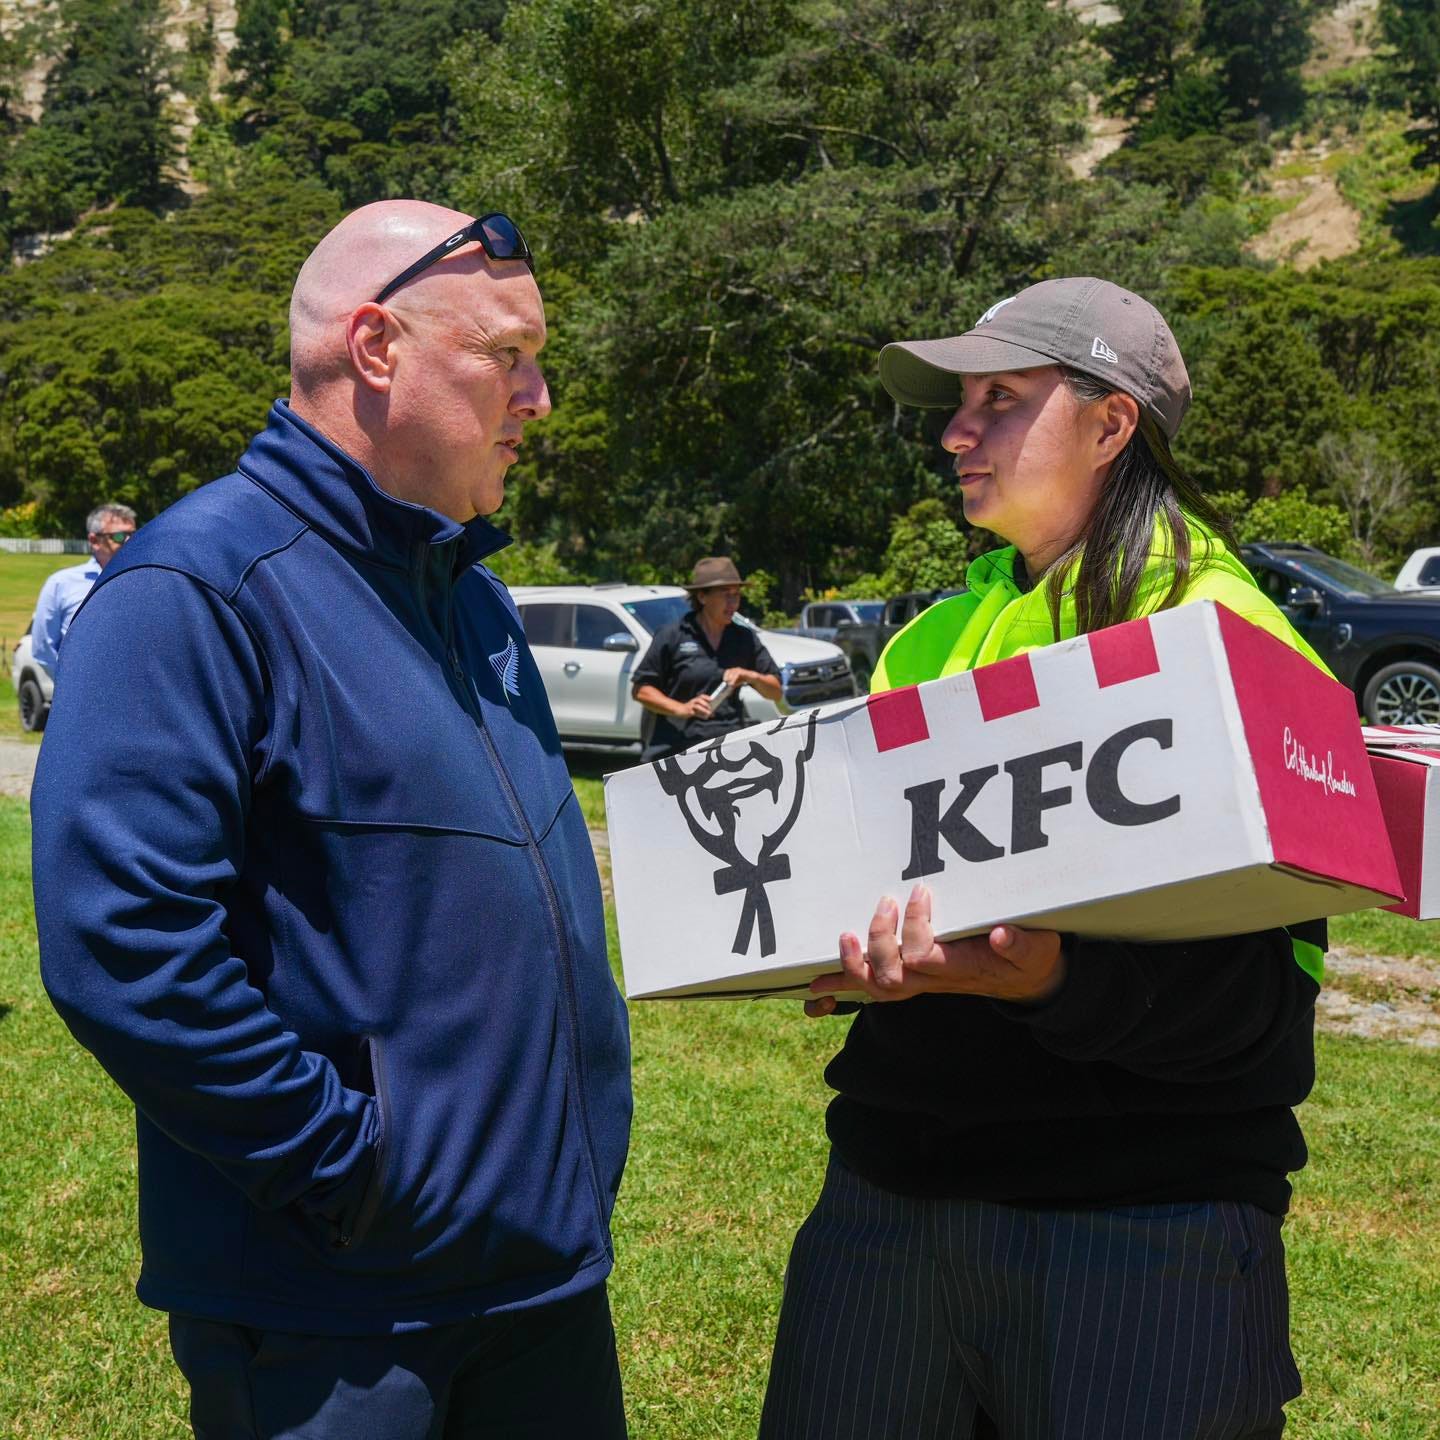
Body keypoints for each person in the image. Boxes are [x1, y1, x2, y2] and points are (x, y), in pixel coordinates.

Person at [32, 202, 632, 1439]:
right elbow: (124, 950)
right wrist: (352, 1170)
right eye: (507, 356)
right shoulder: (194, 588)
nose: (542, 398)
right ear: (376, 348)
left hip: (542, 1285)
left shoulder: (474, 602)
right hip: (340, 1320)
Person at [760, 277, 1329, 1440]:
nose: (956, 433)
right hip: (886, 1204)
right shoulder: (923, 642)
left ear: (1113, 423)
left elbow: (1267, 1002)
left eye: (1001, 400)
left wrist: (1056, 981)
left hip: (1138, 1234)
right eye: (960, 402)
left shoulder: (1221, 637)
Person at [630, 556, 784, 760]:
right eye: (726, 595)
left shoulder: (744, 637)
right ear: (702, 597)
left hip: (730, 745)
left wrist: (748, 675)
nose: (733, 603)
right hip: (678, 747)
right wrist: (682, 708)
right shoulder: (672, 635)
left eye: (736, 595)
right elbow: (641, 690)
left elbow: (775, 691)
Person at [28, 502, 138, 671]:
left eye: (134, 534)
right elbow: (43, 649)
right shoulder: (61, 583)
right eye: (119, 536)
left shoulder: (144, 581)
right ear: (94, 540)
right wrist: (69, 687)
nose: (129, 541)